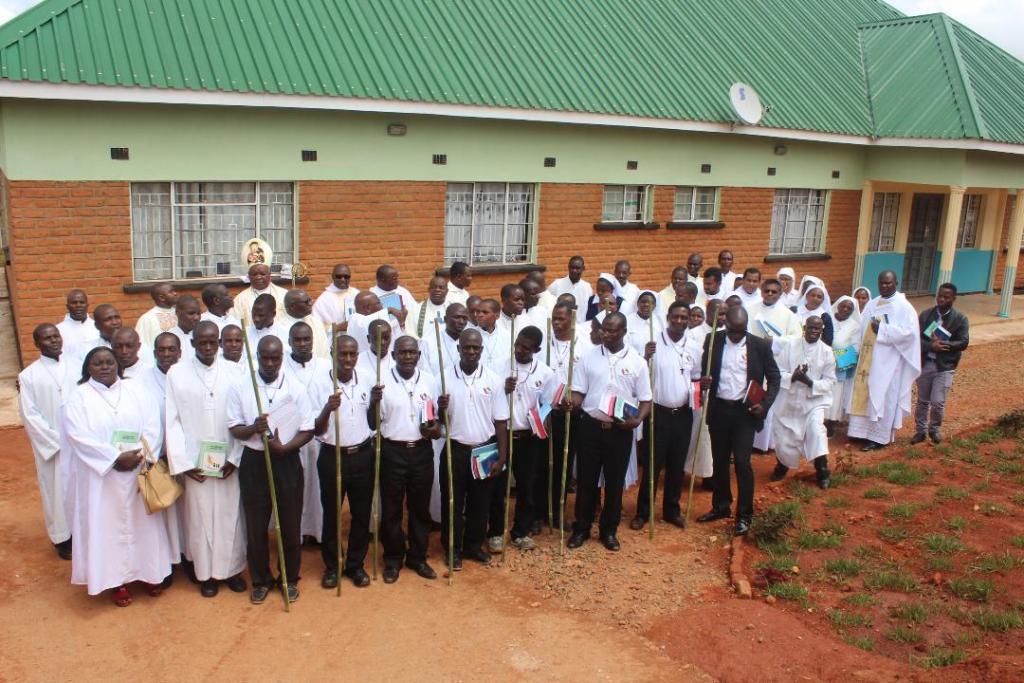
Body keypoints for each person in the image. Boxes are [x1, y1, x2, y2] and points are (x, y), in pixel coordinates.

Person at [61, 346, 173, 606]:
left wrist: (140, 456)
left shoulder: (135, 389)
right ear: (88, 368)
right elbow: (77, 435)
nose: (105, 367)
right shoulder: (79, 396)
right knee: (107, 528)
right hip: (102, 478)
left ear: (117, 365)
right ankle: (116, 581)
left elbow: (151, 424)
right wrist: (113, 458)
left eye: (109, 362)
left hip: (137, 470)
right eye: (98, 363)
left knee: (143, 525)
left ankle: (148, 573)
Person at [227, 335, 314, 604]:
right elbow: (234, 428)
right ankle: (261, 579)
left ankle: (289, 578)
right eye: (264, 357)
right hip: (254, 461)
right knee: (256, 526)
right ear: (257, 356)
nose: (269, 363)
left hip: (286, 460)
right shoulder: (242, 386)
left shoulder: (296, 388)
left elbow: (308, 428)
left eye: (275, 358)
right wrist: (254, 428)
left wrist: (284, 449)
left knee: (289, 524)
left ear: (281, 357)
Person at [165, 321, 247, 597]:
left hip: (227, 460)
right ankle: (206, 574)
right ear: (192, 343)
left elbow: (243, 417)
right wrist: (185, 464)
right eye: (203, 342)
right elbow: (172, 420)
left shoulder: (236, 372)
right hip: (196, 462)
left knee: (231, 514)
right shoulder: (177, 374)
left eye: (214, 342)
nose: (208, 347)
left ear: (220, 343)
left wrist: (236, 458)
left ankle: (232, 570)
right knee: (198, 518)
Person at [567, 313, 652, 551]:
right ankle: (581, 528)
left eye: (612, 330)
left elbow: (646, 400)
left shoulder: (637, 362)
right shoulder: (588, 357)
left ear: (624, 331)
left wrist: (638, 420)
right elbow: (579, 392)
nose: (606, 334)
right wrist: (572, 403)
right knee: (586, 480)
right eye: (604, 329)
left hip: (620, 431)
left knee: (614, 483)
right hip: (590, 427)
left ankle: (609, 531)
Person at [697, 307, 780, 536]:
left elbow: (774, 378)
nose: (736, 336)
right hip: (720, 410)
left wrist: (764, 404)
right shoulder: (713, 340)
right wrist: (703, 382)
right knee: (720, 462)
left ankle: (745, 515)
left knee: (742, 463)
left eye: (740, 332)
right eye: (732, 331)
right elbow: (704, 370)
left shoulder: (759, 346)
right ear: (725, 326)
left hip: (745, 413)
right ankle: (721, 506)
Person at [371, 336, 444, 582]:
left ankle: (417, 557)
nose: (408, 356)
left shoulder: (430, 381)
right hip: (392, 451)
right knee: (391, 509)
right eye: (402, 352)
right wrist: (373, 401)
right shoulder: (382, 384)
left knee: (419, 508)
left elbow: (433, 420)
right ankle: (392, 559)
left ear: (419, 355)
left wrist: (435, 429)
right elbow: (373, 422)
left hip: (421, 451)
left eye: (412, 352)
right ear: (393, 355)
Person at [438, 329, 510, 569]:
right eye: (466, 347)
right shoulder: (443, 378)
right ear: (458, 348)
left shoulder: (493, 379)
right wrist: (441, 408)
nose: (470, 351)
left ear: (481, 350)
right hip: (455, 449)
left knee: (480, 504)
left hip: (484, 450)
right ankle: (452, 549)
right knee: (453, 503)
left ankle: (473, 546)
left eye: (475, 348)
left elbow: (500, 421)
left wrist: (502, 455)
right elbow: (437, 423)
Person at [308, 333, 375, 589]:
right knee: (332, 514)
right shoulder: (318, 384)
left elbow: (372, 422)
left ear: (357, 355)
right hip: (332, 456)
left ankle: (355, 566)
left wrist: (375, 404)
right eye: (342, 354)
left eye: (352, 354)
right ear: (333, 354)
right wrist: (328, 408)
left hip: (362, 455)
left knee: (361, 514)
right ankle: (333, 566)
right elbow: (316, 428)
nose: (347, 359)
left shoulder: (367, 379)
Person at [632, 301, 699, 530]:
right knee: (653, 463)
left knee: (676, 463)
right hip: (658, 412)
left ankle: (672, 510)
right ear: (668, 316)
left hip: (683, 413)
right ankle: (643, 511)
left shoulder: (694, 346)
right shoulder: (653, 342)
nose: (679, 321)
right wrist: (644, 356)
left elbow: (696, 377)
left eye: (684, 317)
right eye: (676, 317)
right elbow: (639, 374)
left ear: (689, 319)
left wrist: (704, 384)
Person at [487, 326, 555, 553]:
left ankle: (520, 532)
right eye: (517, 344)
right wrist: (503, 389)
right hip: (502, 435)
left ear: (536, 349)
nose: (519, 350)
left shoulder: (545, 373)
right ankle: (496, 532)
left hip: (528, 437)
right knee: (498, 486)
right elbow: (488, 398)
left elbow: (547, 405)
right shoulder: (499, 366)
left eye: (526, 347)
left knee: (527, 486)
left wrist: (542, 420)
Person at [847, 271, 921, 451]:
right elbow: (862, 329)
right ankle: (862, 432)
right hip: (868, 359)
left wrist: (883, 329)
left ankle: (879, 437)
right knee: (866, 393)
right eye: (881, 283)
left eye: (888, 283)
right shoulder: (872, 304)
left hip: (889, 362)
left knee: (884, 396)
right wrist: (857, 350)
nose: (884, 286)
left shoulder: (904, 307)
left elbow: (909, 334)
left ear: (896, 282)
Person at [19, 324, 75, 559]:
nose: (53, 341)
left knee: (80, 490)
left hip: (80, 442)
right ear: (36, 344)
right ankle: (62, 538)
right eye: (47, 338)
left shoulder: (76, 365)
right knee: (55, 489)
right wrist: (58, 442)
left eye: (56, 336)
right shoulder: (28, 375)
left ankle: (82, 533)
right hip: (53, 447)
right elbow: (30, 416)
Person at [537, 301, 589, 531]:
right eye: (554, 319)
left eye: (561, 319)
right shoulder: (544, 343)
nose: (557, 324)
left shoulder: (583, 346)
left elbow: (586, 381)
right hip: (544, 411)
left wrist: (575, 401)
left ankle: (557, 512)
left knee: (563, 464)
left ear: (572, 320)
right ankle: (538, 512)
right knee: (541, 464)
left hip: (570, 412)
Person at [769, 316, 836, 489]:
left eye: (818, 329)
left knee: (816, 431)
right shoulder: (790, 346)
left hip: (813, 401)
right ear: (804, 328)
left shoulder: (827, 351)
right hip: (789, 399)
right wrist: (793, 376)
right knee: (784, 435)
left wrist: (809, 382)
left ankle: (822, 469)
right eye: (811, 328)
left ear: (822, 331)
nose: (814, 331)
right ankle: (782, 465)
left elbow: (830, 381)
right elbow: (778, 371)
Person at [285, 321, 329, 545]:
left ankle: (319, 531)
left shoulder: (325, 366)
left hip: (320, 438)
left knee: (318, 487)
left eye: (307, 339)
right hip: (294, 438)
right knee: (296, 488)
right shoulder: (282, 367)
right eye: (297, 340)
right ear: (289, 342)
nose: (302, 344)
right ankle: (297, 535)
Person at [912, 283, 969, 445]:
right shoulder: (926, 315)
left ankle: (934, 429)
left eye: (946, 297)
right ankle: (920, 431)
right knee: (923, 400)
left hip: (945, 366)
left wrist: (946, 345)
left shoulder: (960, 319)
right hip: (926, 364)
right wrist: (931, 346)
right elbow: (915, 339)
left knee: (937, 402)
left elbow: (964, 342)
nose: (941, 299)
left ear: (954, 298)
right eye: (939, 296)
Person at [827, 296, 861, 431]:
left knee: (836, 395)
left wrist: (836, 358)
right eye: (843, 306)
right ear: (837, 305)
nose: (845, 309)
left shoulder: (855, 326)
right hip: (822, 361)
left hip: (839, 364)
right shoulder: (827, 317)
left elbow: (856, 347)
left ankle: (830, 422)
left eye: (849, 308)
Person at [749, 279, 802, 346]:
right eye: (766, 291)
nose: (770, 293)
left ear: (780, 294)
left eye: (774, 292)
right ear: (761, 292)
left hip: (777, 355)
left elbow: (797, 337)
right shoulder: (750, 310)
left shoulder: (788, 314)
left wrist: (775, 341)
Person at [419, 303, 467, 374]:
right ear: (445, 319)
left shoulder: (469, 343)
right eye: (457, 317)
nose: (461, 322)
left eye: (464, 318)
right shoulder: (428, 343)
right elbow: (424, 374)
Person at [281, 289, 329, 359]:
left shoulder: (316, 323)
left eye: (310, 300)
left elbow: (325, 352)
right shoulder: (280, 328)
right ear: (292, 306)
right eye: (306, 302)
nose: (310, 303)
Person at [348, 291, 400, 355]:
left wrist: (401, 322)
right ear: (367, 308)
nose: (382, 305)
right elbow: (369, 324)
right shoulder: (356, 321)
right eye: (378, 303)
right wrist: (389, 310)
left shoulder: (362, 320)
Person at [313, 264, 360, 334]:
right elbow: (316, 325)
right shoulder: (324, 300)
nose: (343, 279)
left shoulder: (356, 293)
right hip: (335, 339)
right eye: (339, 276)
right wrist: (337, 327)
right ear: (333, 277)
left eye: (346, 277)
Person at [244, 293, 291, 362]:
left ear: (273, 314)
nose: (256, 319)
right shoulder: (244, 334)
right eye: (254, 314)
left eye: (261, 315)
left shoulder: (286, 334)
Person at [135, 283, 179, 350]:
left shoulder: (180, 313)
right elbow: (142, 345)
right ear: (161, 298)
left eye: (174, 291)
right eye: (171, 292)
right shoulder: (147, 319)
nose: (175, 293)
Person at [370, 264, 414, 329]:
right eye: (394, 278)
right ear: (382, 280)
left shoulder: (402, 291)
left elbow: (414, 310)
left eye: (397, 278)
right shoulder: (371, 295)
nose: (397, 281)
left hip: (403, 329)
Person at [475, 298, 511, 374]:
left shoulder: (507, 336)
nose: (480, 315)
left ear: (497, 316)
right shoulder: (471, 335)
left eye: (485, 312)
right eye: (478, 312)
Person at [795, 282, 834, 346]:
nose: (815, 298)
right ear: (807, 296)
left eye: (819, 297)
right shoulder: (795, 310)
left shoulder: (825, 317)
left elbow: (828, 340)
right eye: (813, 295)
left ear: (822, 300)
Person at [626, 290, 664, 356]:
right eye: (643, 302)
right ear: (637, 303)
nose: (646, 305)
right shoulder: (627, 321)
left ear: (655, 306)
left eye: (651, 302)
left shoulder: (660, 322)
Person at [169, 294, 202, 360]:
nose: (196, 317)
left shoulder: (203, 337)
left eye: (198, 313)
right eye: (191, 313)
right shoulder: (169, 338)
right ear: (178, 313)